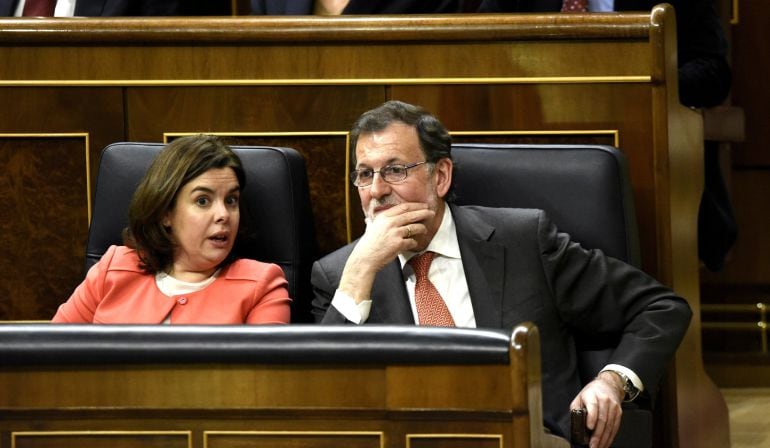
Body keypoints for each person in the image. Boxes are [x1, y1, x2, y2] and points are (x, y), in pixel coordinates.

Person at [311, 100, 692, 447]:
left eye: (395, 170)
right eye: (364, 174)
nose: (376, 191)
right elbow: (318, 396)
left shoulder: (522, 241)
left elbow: (660, 307)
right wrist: (360, 270)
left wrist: (611, 382)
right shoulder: (338, 276)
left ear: (440, 176)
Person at [52, 134, 291, 324]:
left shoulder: (263, 285)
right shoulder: (111, 269)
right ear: (166, 212)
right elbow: (51, 355)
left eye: (231, 200)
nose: (223, 215)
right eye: (202, 201)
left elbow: (262, 382)